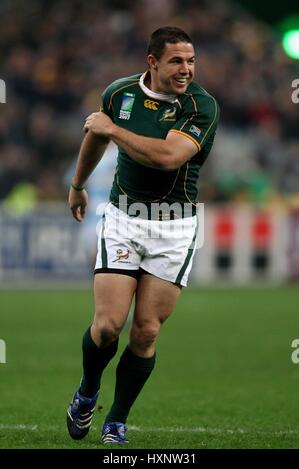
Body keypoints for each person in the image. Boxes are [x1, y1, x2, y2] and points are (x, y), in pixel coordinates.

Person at [66, 26, 220, 445]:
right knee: (108, 326)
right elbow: (95, 135)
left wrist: (113, 130)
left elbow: (169, 158)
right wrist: (78, 183)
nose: (186, 69)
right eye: (176, 61)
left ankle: (116, 419)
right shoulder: (119, 93)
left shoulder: (200, 106)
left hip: (175, 225)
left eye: (191, 61)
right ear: (152, 62)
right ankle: (87, 391)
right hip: (125, 216)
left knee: (147, 330)